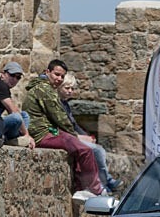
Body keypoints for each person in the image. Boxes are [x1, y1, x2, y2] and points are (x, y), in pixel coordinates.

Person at [22, 59, 103, 201]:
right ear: (47, 72)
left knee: (77, 148)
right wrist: (74, 136)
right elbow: (60, 116)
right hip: (42, 134)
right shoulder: (45, 90)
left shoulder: (42, 87)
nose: (59, 79)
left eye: (62, 76)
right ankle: (94, 190)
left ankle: (81, 188)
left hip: (45, 131)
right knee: (85, 150)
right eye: (56, 74)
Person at [58, 73, 122, 191]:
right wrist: (80, 137)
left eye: (72, 88)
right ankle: (105, 182)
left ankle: (105, 182)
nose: (70, 91)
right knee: (97, 150)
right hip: (66, 137)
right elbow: (64, 127)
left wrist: (87, 136)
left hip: (73, 136)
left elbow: (74, 125)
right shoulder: (57, 104)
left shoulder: (65, 104)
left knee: (97, 148)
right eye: (67, 88)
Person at [0, 61, 34, 148]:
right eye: (12, 75)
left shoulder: (4, 86)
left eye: (18, 77)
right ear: (3, 73)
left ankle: (15, 139)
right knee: (17, 117)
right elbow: (13, 111)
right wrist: (27, 135)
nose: (15, 80)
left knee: (24, 115)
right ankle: (16, 139)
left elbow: (11, 111)